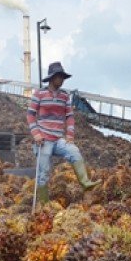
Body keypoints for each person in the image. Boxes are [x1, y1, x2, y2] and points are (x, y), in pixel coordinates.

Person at [27, 61, 100, 203]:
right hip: (44, 140)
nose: (61, 80)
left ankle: (85, 182)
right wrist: (36, 134)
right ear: (52, 78)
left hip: (58, 139)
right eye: (58, 77)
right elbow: (30, 115)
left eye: (62, 77)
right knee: (44, 173)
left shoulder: (64, 96)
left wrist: (70, 135)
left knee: (74, 151)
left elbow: (70, 116)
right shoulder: (39, 94)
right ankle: (44, 204)